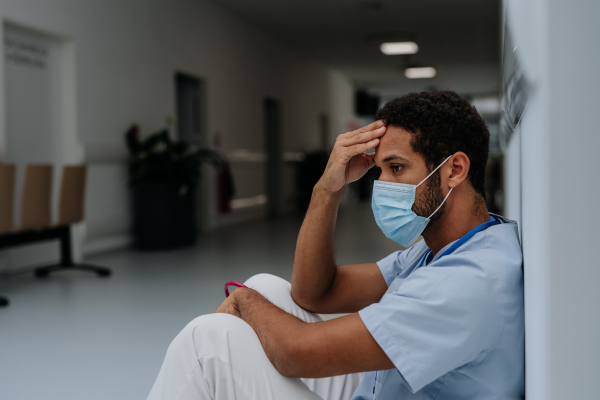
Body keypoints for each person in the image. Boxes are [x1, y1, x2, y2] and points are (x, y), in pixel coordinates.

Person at [147, 91, 524, 400]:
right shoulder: (448, 246)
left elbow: (295, 354)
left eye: (396, 168)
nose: (383, 185)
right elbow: (315, 293)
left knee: (208, 341)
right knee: (267, 287)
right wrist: (327, 188)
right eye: (379, 171)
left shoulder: (468, 281)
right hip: (389, 387)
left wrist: (241, 299)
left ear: (454, 170)